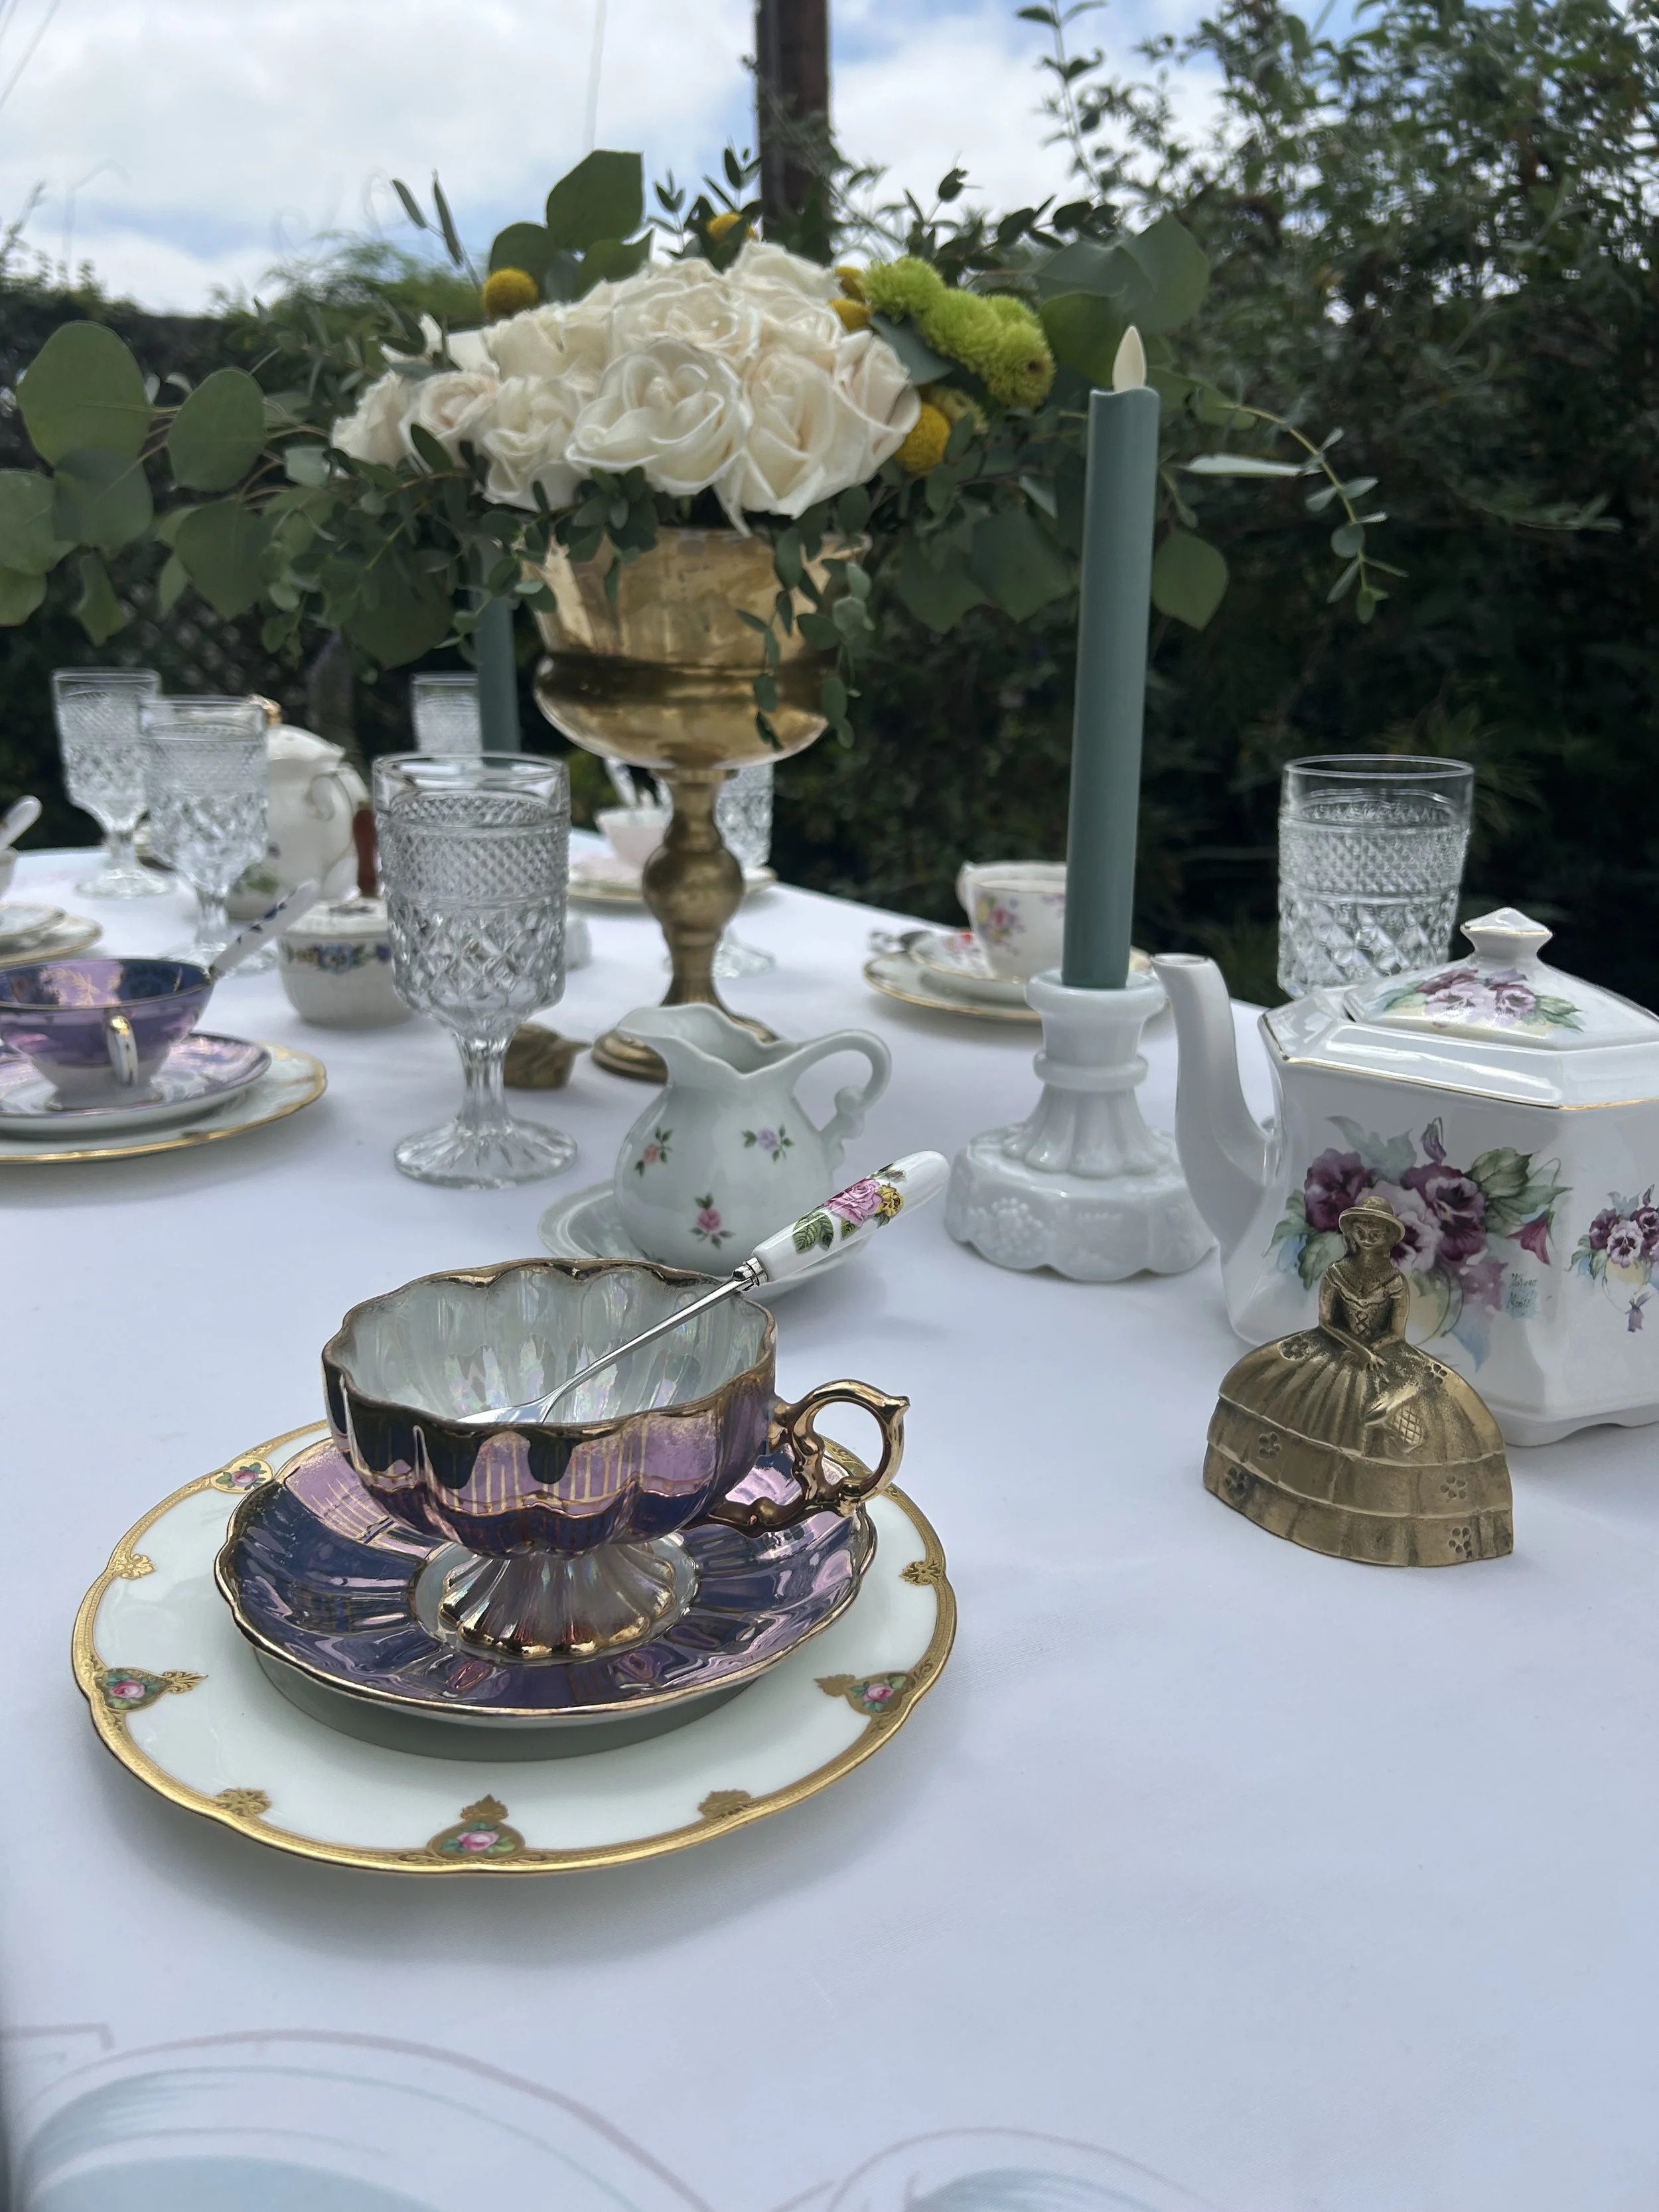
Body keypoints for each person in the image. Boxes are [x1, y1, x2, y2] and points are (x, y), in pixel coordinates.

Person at [1205, 1194, 1513, 1566]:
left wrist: (1375, 1351)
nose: (1368, 1234)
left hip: (1384, 1358)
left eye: (1376, 1230)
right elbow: (1327, 1323)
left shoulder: (1395, 1281)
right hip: (1333, 1348)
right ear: (1351, 1233)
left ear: (1388, 1237)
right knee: (1298, 1407)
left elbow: (1396, 1334)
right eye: (1362, 1228)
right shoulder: (1337, 1272)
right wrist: (1356, 1348)